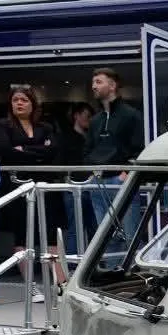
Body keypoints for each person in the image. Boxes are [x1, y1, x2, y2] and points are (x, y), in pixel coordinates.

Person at [0, 85, 61, 302]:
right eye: (15, 100)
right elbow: (5, 150)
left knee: (50, 234)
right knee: (23, 235)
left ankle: (61, 285)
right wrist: (38, 150)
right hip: (17, 186)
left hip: (43, 185)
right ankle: (31, 286)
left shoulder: (45, 126)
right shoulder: (1, 126)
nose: (19, 103)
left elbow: (53, 150)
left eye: (24, 100)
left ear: (33, 104)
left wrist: (24, 150)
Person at [84, 68, 144, 262]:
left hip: (121, 181)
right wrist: (92, 172)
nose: (94, 86)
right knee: (105, 238)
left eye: (99, 82)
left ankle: (133, 281)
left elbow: (139, 147)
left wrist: (126, 172)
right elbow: (87, 150)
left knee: (130, 235)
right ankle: (112, 280)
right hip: (98, 182)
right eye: (93, 82)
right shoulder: (95, 120)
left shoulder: (131, 115)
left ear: (113, 85)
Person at [59, 101, 95, 255]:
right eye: (87, 116)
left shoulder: (92, 138)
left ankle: (96, 265)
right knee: (75, 229)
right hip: (73, 187)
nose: (90, 120)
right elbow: (60, 163)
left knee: (96, 227)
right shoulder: (65, 139)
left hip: (92, 186)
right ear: (76, 116)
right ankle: (74, 268)